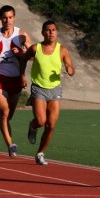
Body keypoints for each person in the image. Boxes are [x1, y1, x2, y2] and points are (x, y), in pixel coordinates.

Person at [20, 20, 75, 165]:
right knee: (41, 121)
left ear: (57, 32)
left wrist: (70, 69)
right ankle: (32, 126)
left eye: (53, 30)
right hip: (38, 88)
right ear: (43, 32)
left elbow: (70, 66)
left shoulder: (62, 50)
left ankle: (40, 153)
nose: (51, 32)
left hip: (55, 89)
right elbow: (23, 60)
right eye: (48, 30)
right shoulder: (35, 48)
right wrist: (22, 76)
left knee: (51, 125)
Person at [0, 5, 32, 158]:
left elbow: (33, 55)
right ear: (0, 18)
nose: (7, 21)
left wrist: (21, 53)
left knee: (9, 115)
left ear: (14, 17)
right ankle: (10, 145)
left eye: (10, 17)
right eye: (4, 18)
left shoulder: (22, 36)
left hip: (16, 79)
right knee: (5, 113)